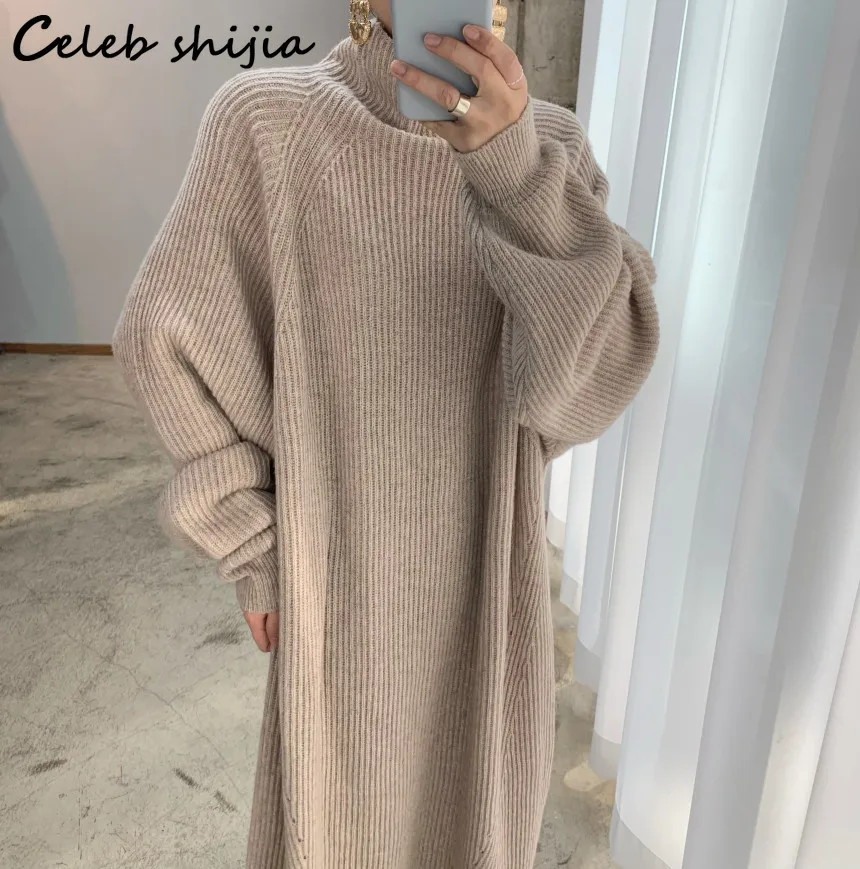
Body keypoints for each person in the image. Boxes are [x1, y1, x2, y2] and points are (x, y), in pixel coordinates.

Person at [112, 1, 659, 866]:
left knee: (471, 827)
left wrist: (514, 174)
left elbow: (585, 390)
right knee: (335, 824)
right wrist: (252, 545)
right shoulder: (269, 121)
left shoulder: (549, 150)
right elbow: (163, 338)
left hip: (486, 583)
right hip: (337, 585)